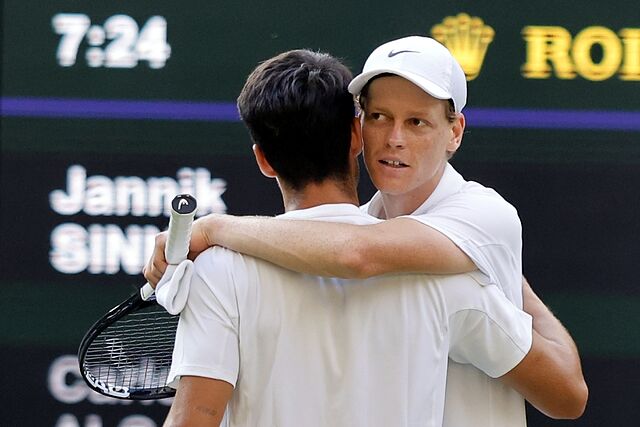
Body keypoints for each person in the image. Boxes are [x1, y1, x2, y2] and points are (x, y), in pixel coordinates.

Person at [161, 49, 584, 427]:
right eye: (380, 117)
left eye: (417, 121)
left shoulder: (478, 228)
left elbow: (355, 254)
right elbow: (348, 250)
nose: (395, 138)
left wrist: (212, 229)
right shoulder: (444, 272)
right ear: (357, 132)